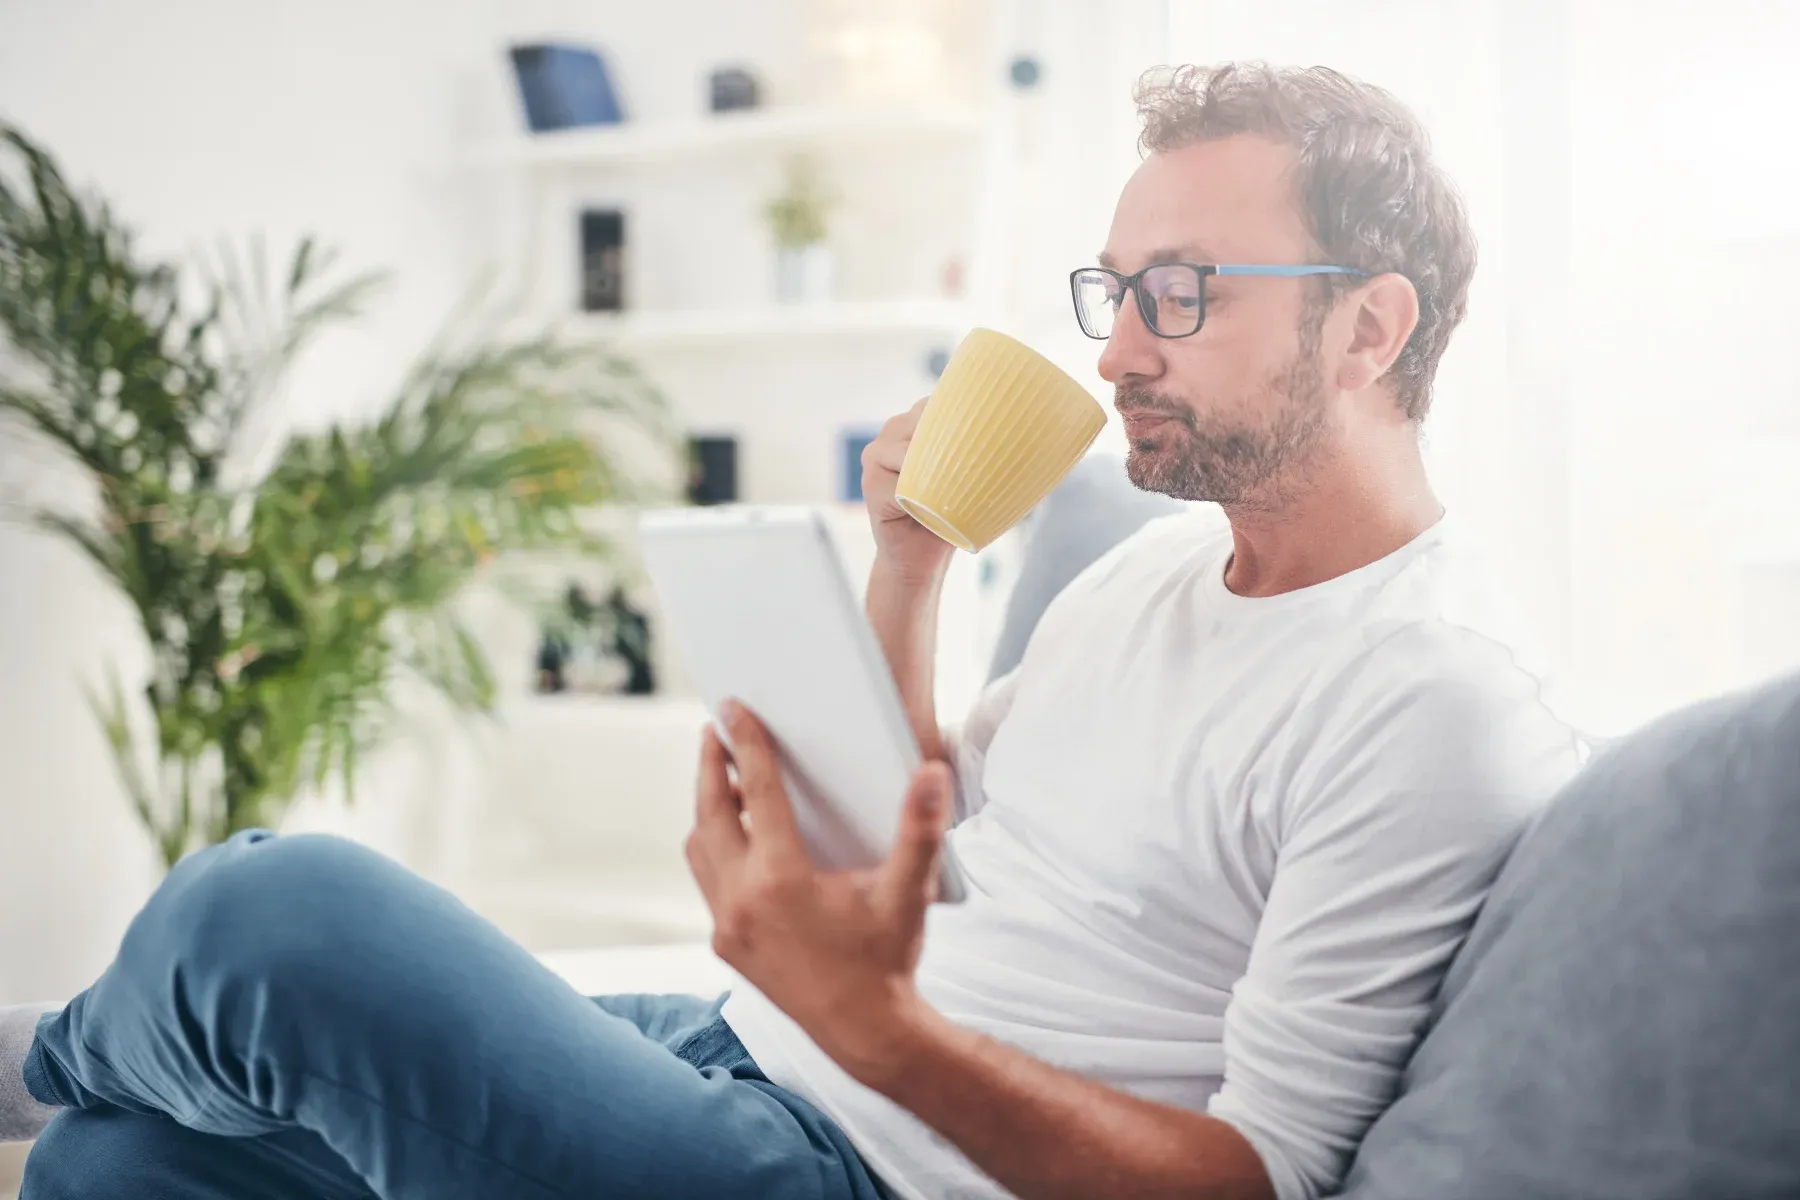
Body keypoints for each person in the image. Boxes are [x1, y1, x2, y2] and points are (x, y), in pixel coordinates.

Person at [2, 62, 1583, 1200]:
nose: (1117, 356)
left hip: (856, 1161)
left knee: (273, 924)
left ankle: (36, 1051)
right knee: (123, 1161)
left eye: (1184, 294)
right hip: (748, 1055)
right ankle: (77, 1083)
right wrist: (907, 571)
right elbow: (928, 840)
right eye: (1118, 291)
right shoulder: (1150, 581)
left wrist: (877, 1030)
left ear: (1369, 325)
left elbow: (1257, 1181)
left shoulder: (1425, 698)